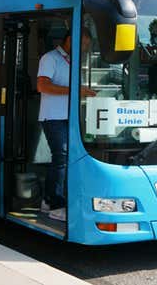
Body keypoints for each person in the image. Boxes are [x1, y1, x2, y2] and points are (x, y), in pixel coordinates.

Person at [36, 28, 96, 221]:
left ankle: (51, 199)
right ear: (71, 39)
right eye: (83, 44)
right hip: (53, 117)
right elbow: (42, 86)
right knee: (61, 156)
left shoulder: (73, 60)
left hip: (70, 117)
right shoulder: (50, 58)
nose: (85, 48)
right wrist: (76, 90)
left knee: (67, 158)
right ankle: (54, 203)